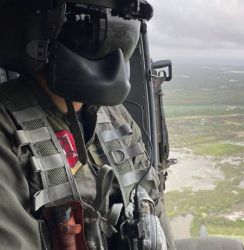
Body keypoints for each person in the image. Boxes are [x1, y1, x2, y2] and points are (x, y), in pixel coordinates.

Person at [0, 0, 175, 249]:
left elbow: (152, 205)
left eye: (121, 27)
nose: (111, 47)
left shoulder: (116, 116)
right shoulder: (7, 127)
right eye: (90, 28)